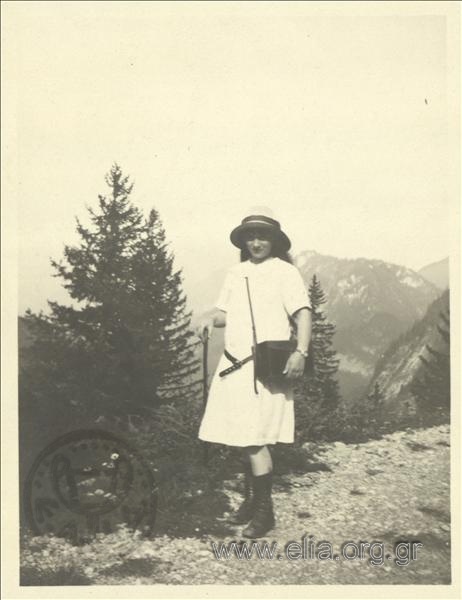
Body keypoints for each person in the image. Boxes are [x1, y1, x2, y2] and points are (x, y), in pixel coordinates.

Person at [196, 208, 312, 538]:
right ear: (243, 241)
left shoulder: (285, 273)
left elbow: (303, 314)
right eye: (251, 236)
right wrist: (208, 317)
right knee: (239, 436)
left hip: (264, 369)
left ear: (274, 241)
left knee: (254, 439)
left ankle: (265, 513)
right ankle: (251, 502)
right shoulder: (236, 272)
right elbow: (225, 313)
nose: (256, 242)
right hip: (233, 366)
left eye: (263, 236)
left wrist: (300, 352)